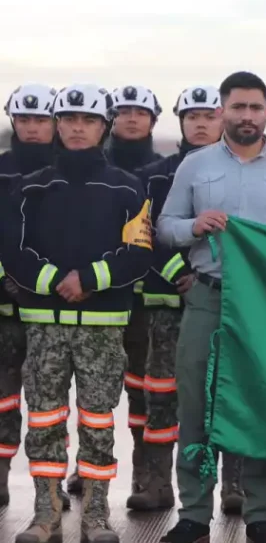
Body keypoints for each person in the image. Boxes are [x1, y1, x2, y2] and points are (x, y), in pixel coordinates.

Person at [156, 71, 266, 543]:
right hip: (208, 298)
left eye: (255, 108)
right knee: (196, 403)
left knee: (263, 403)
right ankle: (192, 514)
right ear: (222, 111)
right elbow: (165, 226)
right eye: (237, 107)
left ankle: (261, 515)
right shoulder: (194, 165)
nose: (246, 116)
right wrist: (194, 227)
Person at [3, 83, 152, 543]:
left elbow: (140, 253)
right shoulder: (30, 188)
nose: (77, 128)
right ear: (57, 124)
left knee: (98, 421)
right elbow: (14, 251)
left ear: (103, 127)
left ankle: (96, 515)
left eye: (88, 120)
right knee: (44, 419)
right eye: (68, 119)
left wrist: (89, 278)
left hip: (103, 328)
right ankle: (44, 514)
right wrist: (53, 283)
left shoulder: (128, 188)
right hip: (44, 325)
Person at [127, 84, 247, 514]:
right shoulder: (156, 176)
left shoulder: (237, 173)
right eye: (192, 116)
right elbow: (143, 233)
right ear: (180, 121)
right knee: (161, 394)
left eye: (208, 116)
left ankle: (234, 481)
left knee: (227, 391)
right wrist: (182, 274)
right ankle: (155, 479)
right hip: (165, 303)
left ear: (223, 120)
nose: (200, 123)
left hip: (226, 303)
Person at [66, 84, 164, 498]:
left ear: (154, 120)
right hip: (98, 300)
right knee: (88, 393)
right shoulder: (87, 168)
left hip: (144, 301)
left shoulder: (165, 171)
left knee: (142, 391)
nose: (131, 118)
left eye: (140, 112)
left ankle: (144, 472)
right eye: (122, 111)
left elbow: (159, 239)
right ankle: (81, 468)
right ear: (110, 120)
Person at [0, 83, 74, 511]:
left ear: (55, 123)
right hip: (6, 310)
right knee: (3, 398)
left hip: (53, 308)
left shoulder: (67, 175)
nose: (32, 128)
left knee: (51, 405)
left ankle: (52, 485)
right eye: (24, 119)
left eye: (41, 120)